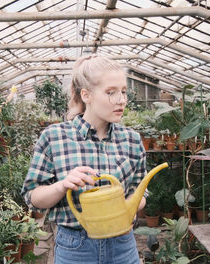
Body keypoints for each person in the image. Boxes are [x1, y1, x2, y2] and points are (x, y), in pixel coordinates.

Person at [21, 55, 147, 264]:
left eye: (123, 91)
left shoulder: (131, 140)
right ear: (86, 95)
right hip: (75, 249)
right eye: (110, 92)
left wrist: (126, 206)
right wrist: (62, 186)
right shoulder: (54, 137)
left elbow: (140, 193)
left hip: (123, 246)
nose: (121, 100)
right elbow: (32, 197)